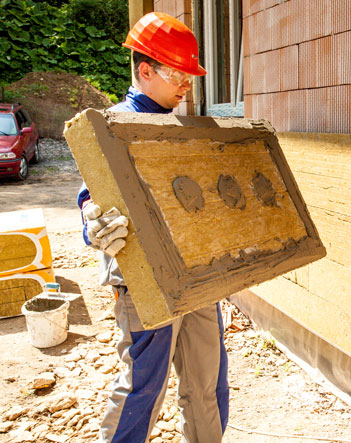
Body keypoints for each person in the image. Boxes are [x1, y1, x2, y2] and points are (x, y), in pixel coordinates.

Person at [76, 12, 229, 443]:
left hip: (198, 276)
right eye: (179, 75)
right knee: (143, 389)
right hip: (147, 284)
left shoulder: (185, 126)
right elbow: (90, 201)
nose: (187, 86)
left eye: (190, 78)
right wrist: (94, 226)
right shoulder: (110, 127)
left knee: (208, 384)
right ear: (146, 71)